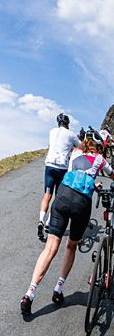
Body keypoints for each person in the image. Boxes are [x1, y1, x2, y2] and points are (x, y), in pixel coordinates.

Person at [21, 131, 113, 315]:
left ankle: (30, 293)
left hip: (62, 196)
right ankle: (58, 289)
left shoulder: (75, 153)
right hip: (81, 203)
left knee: (50, 248)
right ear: (99, 146)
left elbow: (78, 171)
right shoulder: (101, 160)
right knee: (71, 246)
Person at [38, 113, 81, 241]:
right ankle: (48, 223)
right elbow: (80, 146)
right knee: (58, 197)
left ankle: (41, 220)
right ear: (67, 124)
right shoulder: (71, 134)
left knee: (47, 195)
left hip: (49, 165)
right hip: (62, 168)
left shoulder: (52, 131)